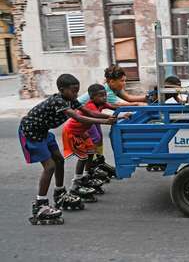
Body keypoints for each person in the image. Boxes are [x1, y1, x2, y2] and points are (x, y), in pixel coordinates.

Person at [18, 74, 116, 225]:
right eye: (73, 91)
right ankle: (40, 205)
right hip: (31, 132)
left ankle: (59, 193)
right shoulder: (58, 101)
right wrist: (105, 121)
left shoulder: (70, 99)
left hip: (43, 132)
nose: (76, 94)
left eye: (77, 91)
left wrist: (113, 118)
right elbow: (79, 118)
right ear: (62, 90)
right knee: (50, 166)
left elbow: (88, 113)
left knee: (59, 160)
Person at [78, 64, 147, 178]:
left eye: (125, 80)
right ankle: (92, 166)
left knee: (99, 137)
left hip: (94, 113)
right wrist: (139, 104)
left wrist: (147, 97)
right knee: (95, 139)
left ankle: (99, 161)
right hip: (83, 115)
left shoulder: (115, 88)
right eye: (121, 81)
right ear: (111, 81)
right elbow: (121, 105)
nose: (124, 83)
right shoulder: (105, 92)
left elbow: (129, 98)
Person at [62, 84, 119, 202]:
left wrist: (129, 110)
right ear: (92, 97)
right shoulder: (90, 106)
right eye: (101, 96)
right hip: (72, 132)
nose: (104, 98)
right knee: (82, 157)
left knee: (91, 152)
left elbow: (114, 107)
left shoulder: (101, 103)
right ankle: (76, 184)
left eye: (105, 95)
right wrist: (109, 118)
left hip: (83, 131)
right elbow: (94, 115)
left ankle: (86, 176)